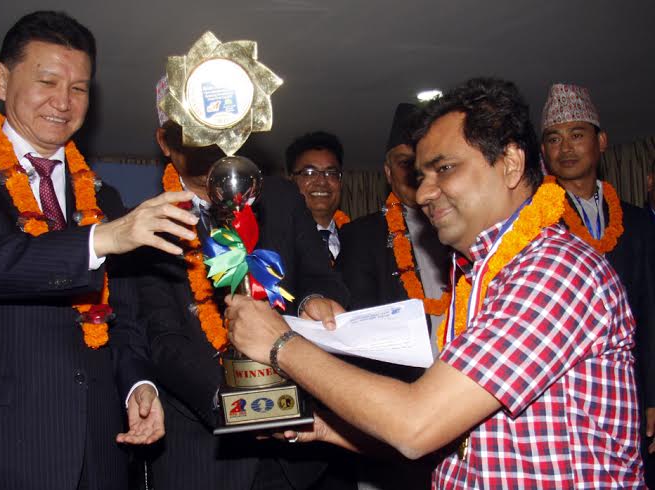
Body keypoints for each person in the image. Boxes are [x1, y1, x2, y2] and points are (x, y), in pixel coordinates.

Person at [225, 77, 645, 488]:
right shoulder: (481, 277)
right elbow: (448, 441)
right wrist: (319, 428)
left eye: (444, 168)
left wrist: (280, 344)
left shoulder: (555, 270)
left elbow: (416, 424)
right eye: (422, 174)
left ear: (512, 164)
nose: (425, 192)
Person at [0, 11, 198, 490]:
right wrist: (101, 238)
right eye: (47, 81)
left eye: (80, 88)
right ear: (2, 79)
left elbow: (121, 316)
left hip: (98, 449)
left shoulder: (103, 200)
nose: (63, 102)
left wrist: (137, 386)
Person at [134, 79, 353, 489]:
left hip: (300, 451)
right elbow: (162, 337)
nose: (209, 142)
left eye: (217, 128)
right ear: (165, 141)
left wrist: (316, 298)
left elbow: (321, 276)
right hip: (205, 452)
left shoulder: (283, 198)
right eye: (192, 130)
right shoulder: (148, 222)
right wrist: (230, 404)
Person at [540, 83, 655, 483]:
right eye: (554, 138)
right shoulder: (534, 226)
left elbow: (651, 308)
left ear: (601, 141)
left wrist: (653, 393)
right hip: (564, 395)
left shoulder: (639, 224)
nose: (565, 147)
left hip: (632, 389)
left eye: (577, 134)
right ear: (543, 152)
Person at [336, 103, 449, 489]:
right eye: (404, 163)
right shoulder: (361, 236)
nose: (414, 174)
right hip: (393, 407)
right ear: (386, 171)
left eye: (424, 163)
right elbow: (353, 337)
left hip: (460, 399)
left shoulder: (460, 227)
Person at [286, 131, 349, 262]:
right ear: (291, 181)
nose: (321, 181)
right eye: (309, 173)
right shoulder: (275, 241)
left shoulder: (359, 241)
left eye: (331, 173)